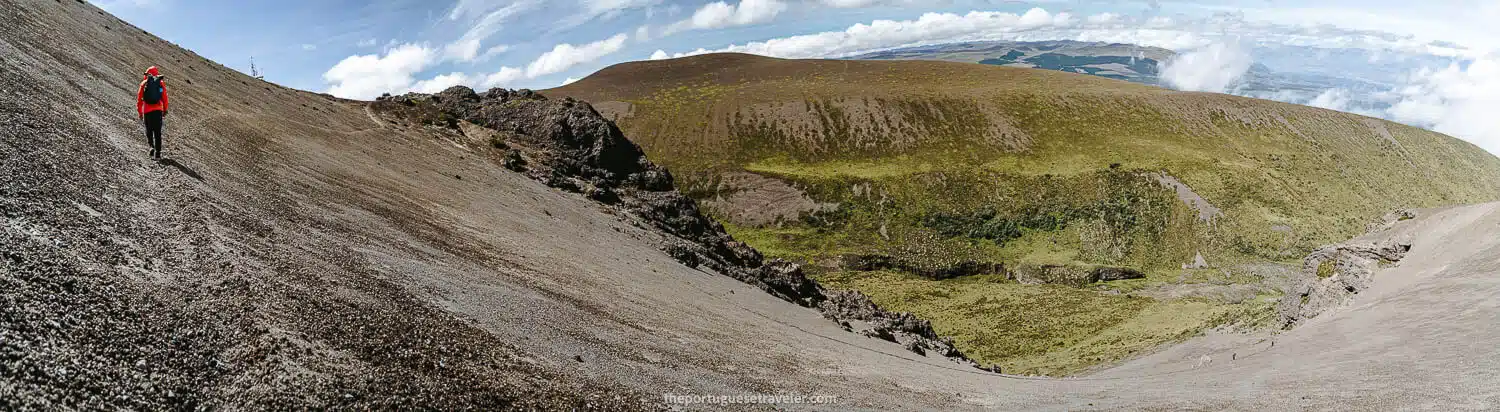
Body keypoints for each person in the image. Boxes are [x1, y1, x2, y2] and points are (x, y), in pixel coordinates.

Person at [136, 66, 170, 159]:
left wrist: (140, 112)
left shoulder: (144, 83)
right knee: (157, 132)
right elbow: (164, 98)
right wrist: (165, 109)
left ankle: (151, 147)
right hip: (158, 111)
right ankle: (158, 153)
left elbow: (139, 99)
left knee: (149, 130)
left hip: (147, 111)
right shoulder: (160, 83)